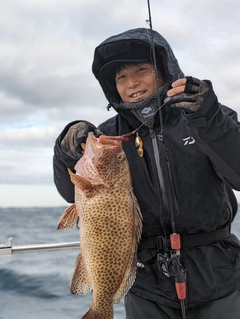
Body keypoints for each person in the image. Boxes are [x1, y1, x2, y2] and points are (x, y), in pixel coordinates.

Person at [53, 28, 240, 318]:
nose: (132, 83)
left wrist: (209, 119)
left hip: (219, 274)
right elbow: (70, 192)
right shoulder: (107, 137)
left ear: (165, 72)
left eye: (142, 70)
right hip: (145, 282)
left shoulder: (207, 115)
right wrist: (65, 151)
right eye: (121, 77)